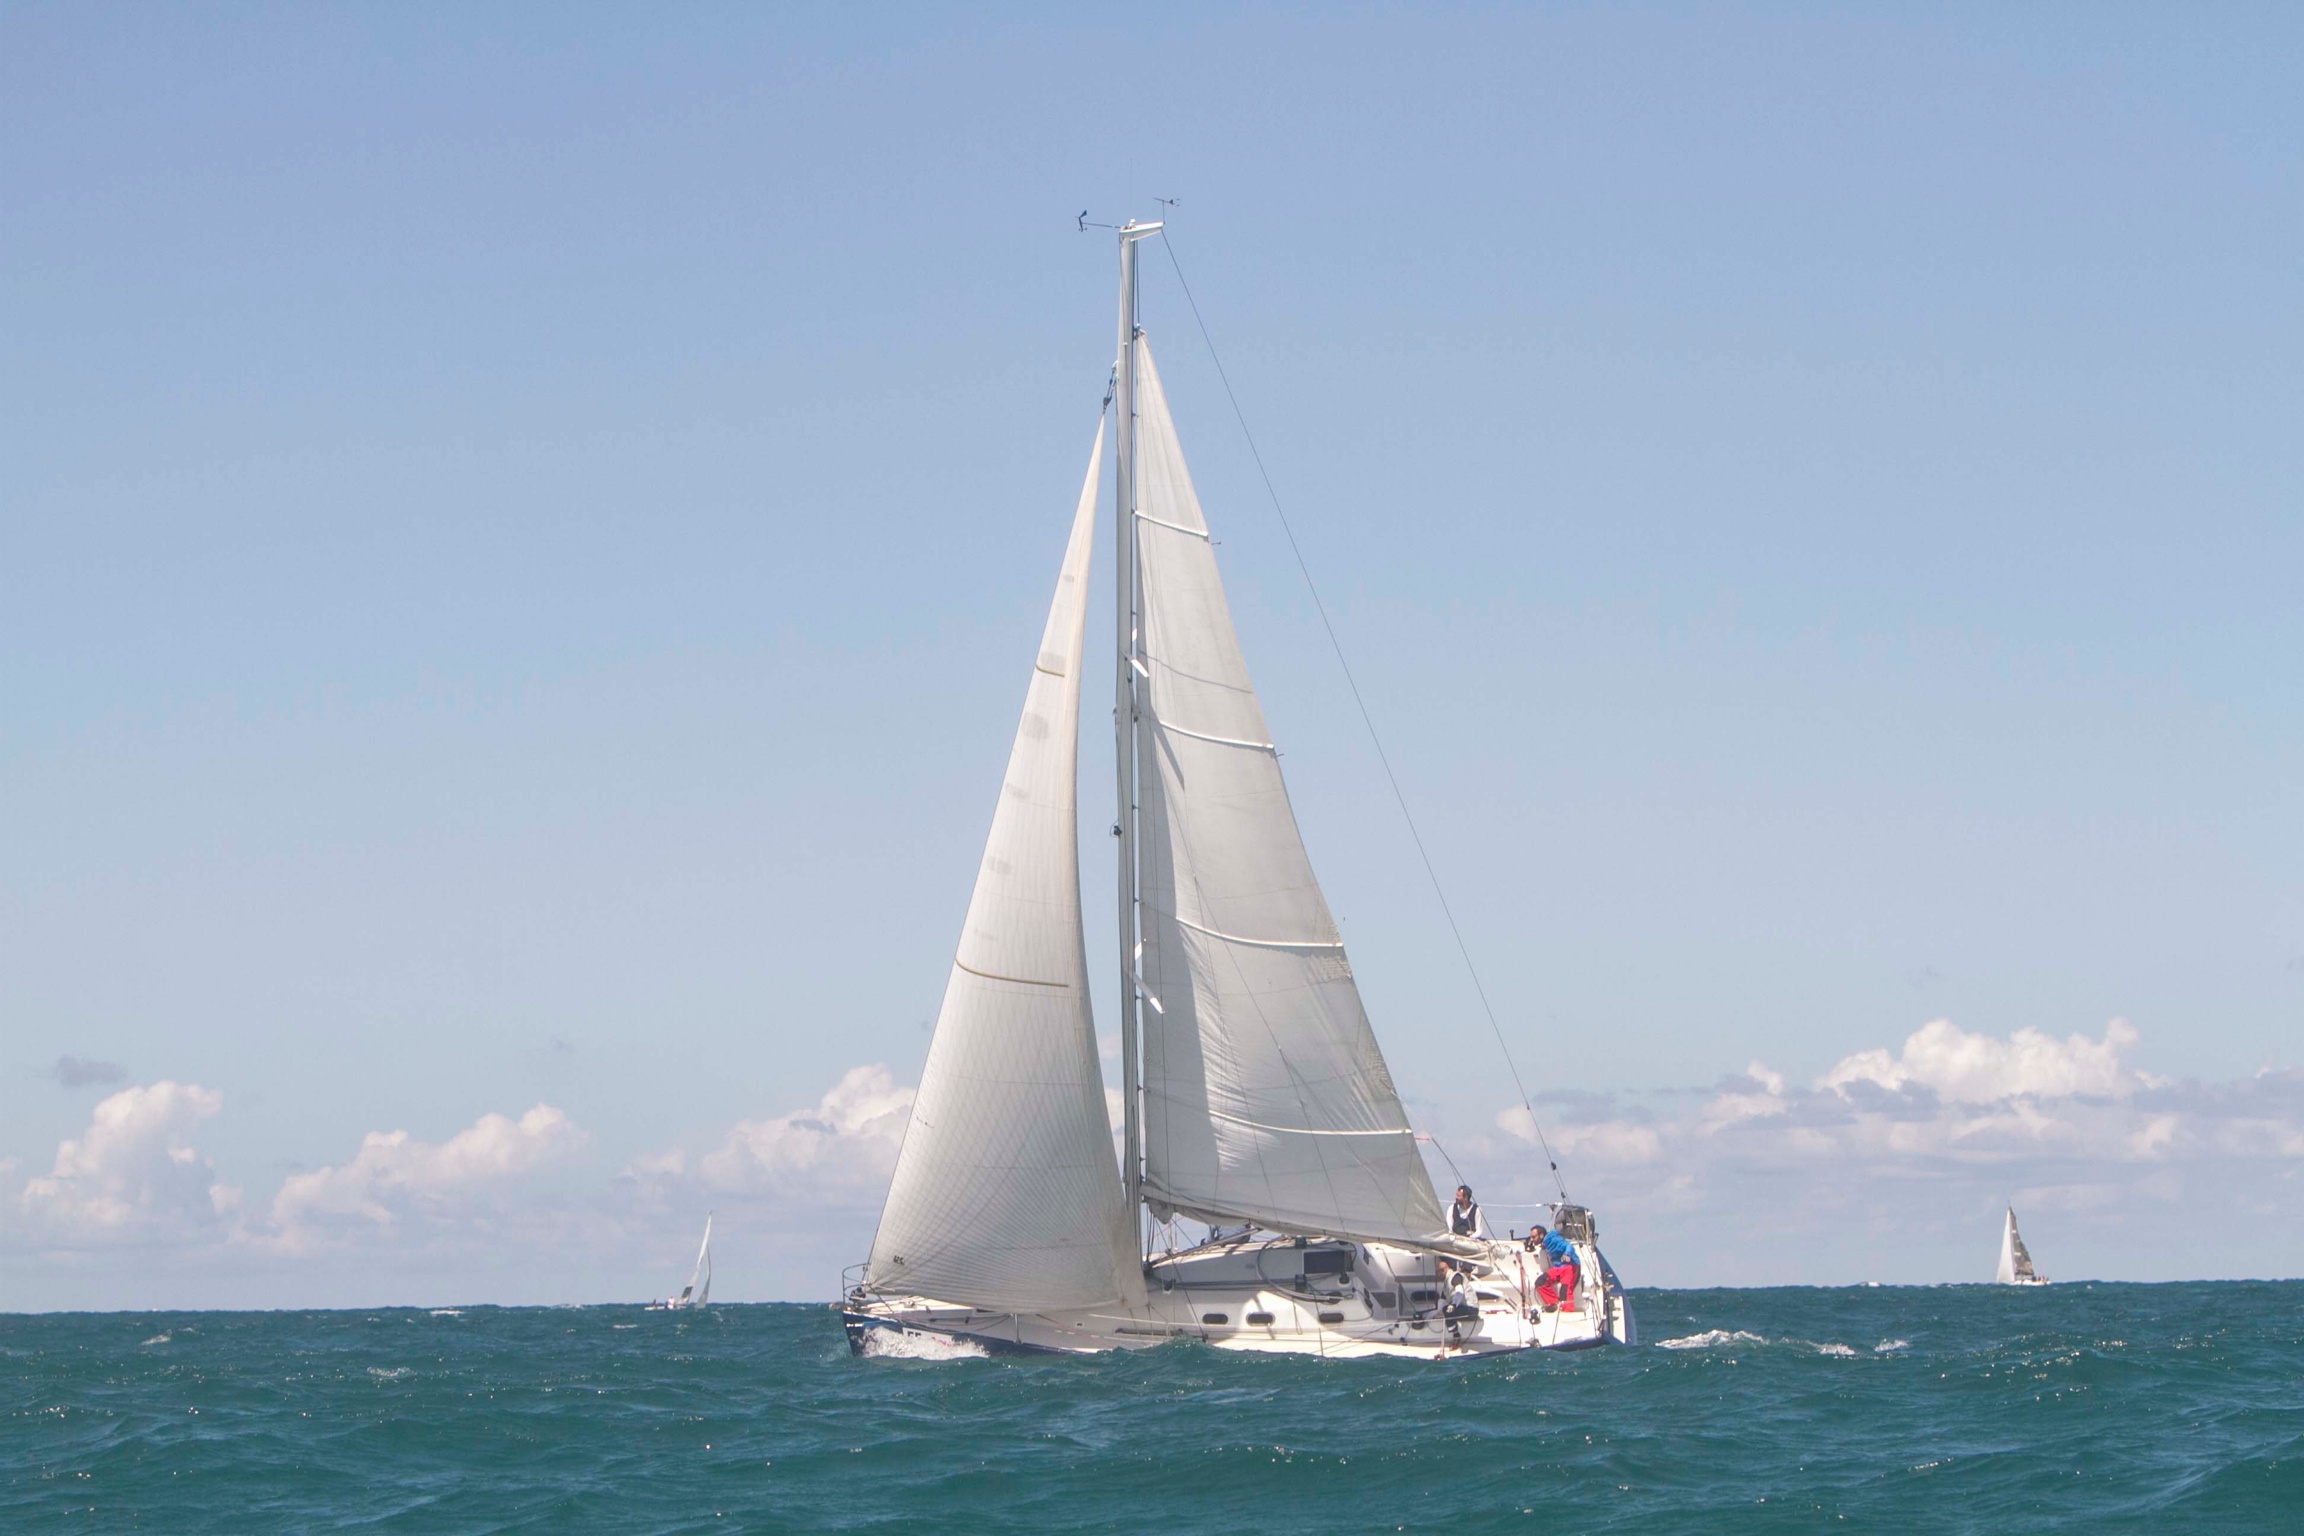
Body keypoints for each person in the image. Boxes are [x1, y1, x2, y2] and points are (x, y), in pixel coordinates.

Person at [1525, 1223, 1579, 1313]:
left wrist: (1567, 1254)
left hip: (1569, 1266)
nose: (1531, 1239)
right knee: (1540, 1282)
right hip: (1558, 1267)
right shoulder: (1545, 1242)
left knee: (1565, 1290)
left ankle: (1567, 1311)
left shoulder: (1553, 1239)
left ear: (1541, 1235)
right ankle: (1553, 1303)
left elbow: (1569, 1246)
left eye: (1533, 1237)